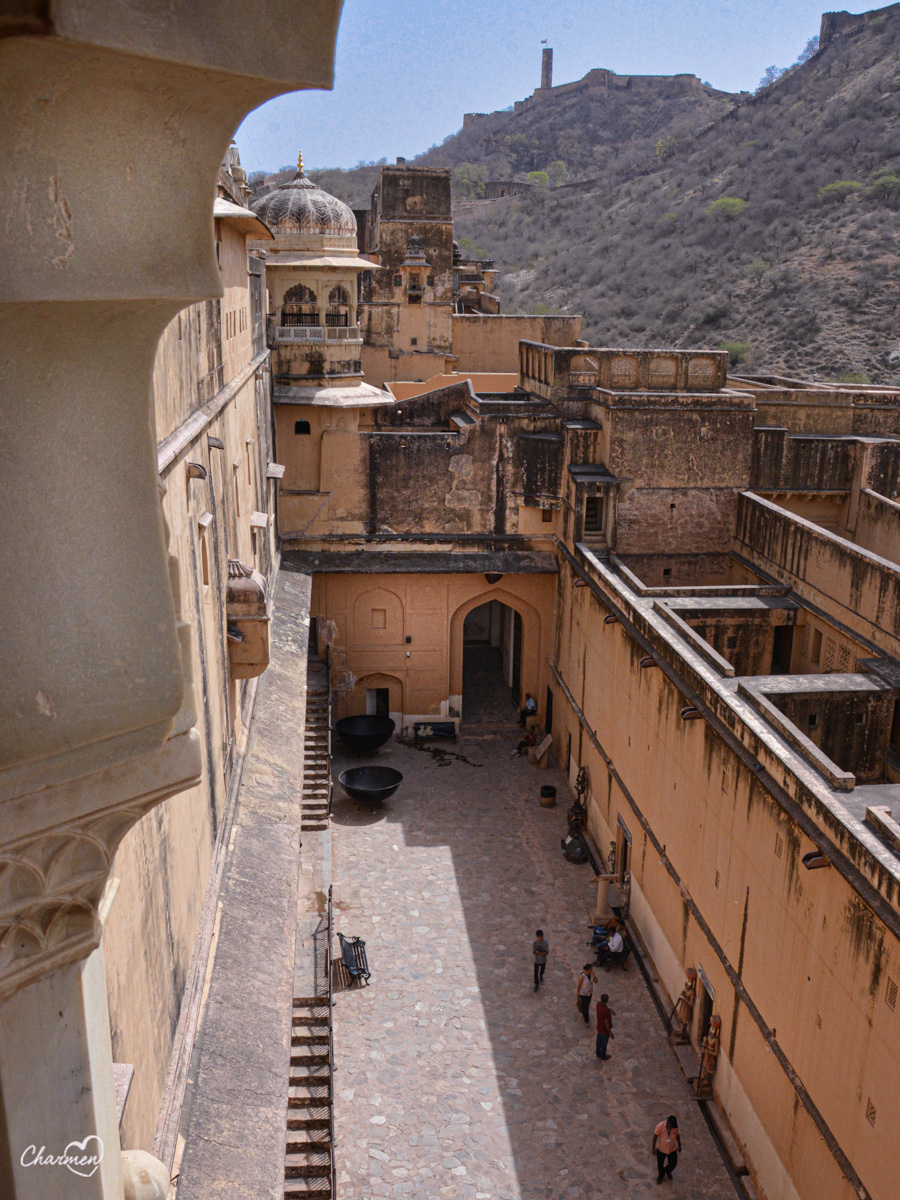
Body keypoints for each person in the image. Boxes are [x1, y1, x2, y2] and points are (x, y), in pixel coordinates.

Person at [652, 1115, 681, 1184]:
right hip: (661, 1149)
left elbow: (677, 1135)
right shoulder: (660, 1126)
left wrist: (679, 1145)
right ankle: (661, 1176)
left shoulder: (675, 1127)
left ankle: (666, 1171)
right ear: (668, 1123)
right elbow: (655, 1136)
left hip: (672, 1148)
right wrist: (653, 1148)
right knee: (660, 1164)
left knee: (673, 1163)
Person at [595, 992, 615, 1059]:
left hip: (599, 1027)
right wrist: (610, 1032)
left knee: (598, 1042)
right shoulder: (605, 1011)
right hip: (604, 1031)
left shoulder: (598, 1005)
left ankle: (598, 1053)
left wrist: (610, 1010)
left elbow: (605, 1009)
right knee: (604, 1044)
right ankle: (603, 1056)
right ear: (607, 1001)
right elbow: (606, 1022)